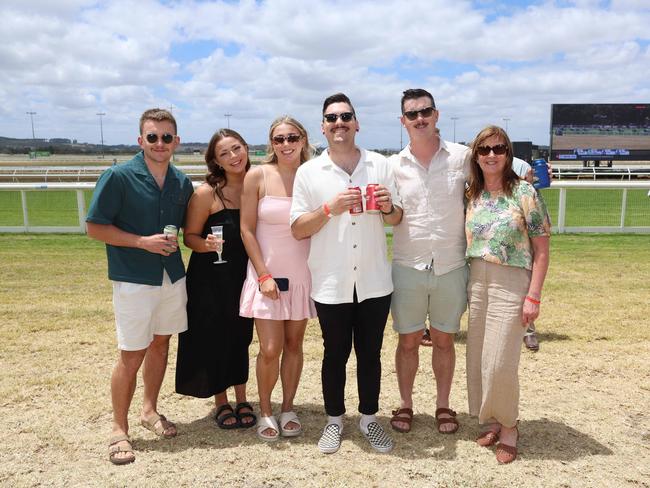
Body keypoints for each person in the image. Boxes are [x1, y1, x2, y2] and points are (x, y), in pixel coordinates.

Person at [388, 89, 532, 435]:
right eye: (412, 114)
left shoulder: (463, 157)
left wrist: (525, 180)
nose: (419, 118)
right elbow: (392, 216)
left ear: (437, 115)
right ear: (403, 121)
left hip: (452, 266)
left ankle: (443, 405)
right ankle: (405, 404)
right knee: (407, 342)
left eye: (425, 111)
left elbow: (506, 167)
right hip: (408, 264)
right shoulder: (392, 165)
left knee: (443, 340)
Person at [290, 93, 403, 454]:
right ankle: (334, 421)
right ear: (322, 127)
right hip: (331, 281)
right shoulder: (308, 172)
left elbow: (397, 217)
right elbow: (297, 228)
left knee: (371, 354)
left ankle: (369, 419)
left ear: (357, 123)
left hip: (373, 279)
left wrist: (388, 207)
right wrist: (329, 208)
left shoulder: (381, 165)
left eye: (345, 116)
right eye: (331, 118)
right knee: (334, 353)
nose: (339, 123)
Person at [86, 108, 194, 465]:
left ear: (176, 141)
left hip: (171, 276)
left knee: (161, 344)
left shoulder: (181, 182)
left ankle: (149, 410)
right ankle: (119, 428)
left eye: (166, 137)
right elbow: (95, 227)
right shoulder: (118, 176)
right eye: (152, 137)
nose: (159, 143)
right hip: (133, 277)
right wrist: (140, 242)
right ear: (140, 140)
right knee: (131, 353)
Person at [465, 125, 551, 464]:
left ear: (508, 153)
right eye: (484, 149)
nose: (491, 155)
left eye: (498, 149)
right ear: (476, 155)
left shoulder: (524, 192)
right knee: (480, 359)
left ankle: (510, 426)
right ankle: (493, 421)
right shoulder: (472, 193)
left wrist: (534, 296)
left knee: (501, 361)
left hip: (512, 281)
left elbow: (542, 250)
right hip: (477, 280)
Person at [239, 116, 317, 441]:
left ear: (303, 139)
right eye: (279, 139)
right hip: (266, 275)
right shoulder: (257, 175)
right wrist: (263, 275)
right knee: (270, 348)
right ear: (271, 143)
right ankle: (266, 411)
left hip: (303, 272)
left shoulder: (314, 175)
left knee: (295, 344)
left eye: (292, 137)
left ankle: (288, 407)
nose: (286, 144)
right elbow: (245, 229)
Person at [175, 129, 257, 431]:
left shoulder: (257, 185)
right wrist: (205, 244)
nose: (234, 156)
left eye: (237, 148)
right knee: (214, 337)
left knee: (241, 337)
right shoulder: (205, 194)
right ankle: (221, 400)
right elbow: (190, 238)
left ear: (246, 148)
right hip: (210, 278)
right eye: (224, 153)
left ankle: (243, 396)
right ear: (216, 161)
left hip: (245, 276)